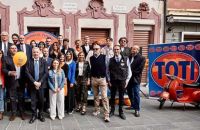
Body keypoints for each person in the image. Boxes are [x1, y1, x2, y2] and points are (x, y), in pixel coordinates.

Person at [2, 45, 26, 121]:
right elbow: (3, 69)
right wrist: (9, 72)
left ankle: (22, 112)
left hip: (21, 81)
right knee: (12, 98)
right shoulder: (6, 58)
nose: (14, 49)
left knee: (21, 98)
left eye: (15, 48)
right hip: (11, 81)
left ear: (17, 49)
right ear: (9, 50)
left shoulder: (21, 56)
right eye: (12, 48)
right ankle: (14, 113)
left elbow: (25, 69)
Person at [108, 45, 131, 120]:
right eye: (115, 50)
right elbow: (107, 71)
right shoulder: (110, 60)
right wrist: (108, 80)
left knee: (121, 97)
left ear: (120, 50)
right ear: (113, 51)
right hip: (113, 81)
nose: (116, 51)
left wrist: (127, 80)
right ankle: (112, 110)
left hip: (122, 81)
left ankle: (121, 112)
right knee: (112, 96)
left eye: (117, 49)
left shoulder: (126, 59)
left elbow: (129, 71)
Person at [25, 47, 48, 123]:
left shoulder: (44, 61)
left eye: (37, 52)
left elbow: (46, 73)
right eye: (34, 52)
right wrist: (34, 82)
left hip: (41, 84)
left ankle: (40, 114)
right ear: (32, 53)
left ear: (39, 52)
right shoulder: (29, 61)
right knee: (33, 101)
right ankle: (34, 115)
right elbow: (27, 73)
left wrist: (40, 82)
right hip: (32, 85)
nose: (35, 53)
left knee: (41, 100)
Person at [90, 44, 110, 122]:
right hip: (94, 79)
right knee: (95, 96)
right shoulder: (91, 58)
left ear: (100, 49)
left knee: (104, 97)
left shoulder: (104, 57)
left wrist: (108, 80)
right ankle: (97, 110)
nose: (95, 50)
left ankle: (106, 114)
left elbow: (108, 69)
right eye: (94, 49)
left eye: (97, 49)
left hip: (102, 79)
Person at [128, 45, 146, 117]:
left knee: (136, 94)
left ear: (138, 50)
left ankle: (137, 109)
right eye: (132, 49)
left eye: (135, 49)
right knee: (129, 93)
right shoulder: (129, 57)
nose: (133, 50)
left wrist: (129, 72)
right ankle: (132, 105)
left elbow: (139, 70)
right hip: (128, 79)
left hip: (135, 79)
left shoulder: (142, 58)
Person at [42, 47, 53, 113]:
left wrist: (48, 68)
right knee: (42, 95)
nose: (45, 52)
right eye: (44, 51)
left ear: (48, 52)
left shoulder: (51, 60)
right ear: (42, 52)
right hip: (42, 80)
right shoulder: (40, 59)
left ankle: (48, 107)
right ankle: (42, 108)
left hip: (49, 80)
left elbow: (53, 68)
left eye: (46, 51)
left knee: (49, 95)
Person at [0, 50, 5, 120]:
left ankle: (1, 112)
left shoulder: (4, 62)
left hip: (1, 82)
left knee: (1, 97)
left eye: (0, 53)